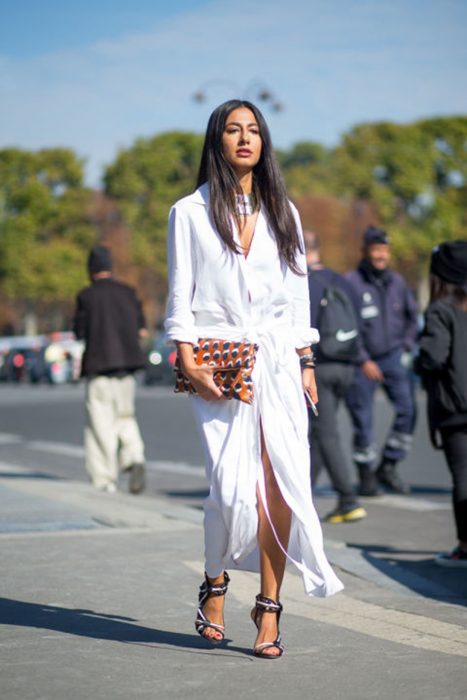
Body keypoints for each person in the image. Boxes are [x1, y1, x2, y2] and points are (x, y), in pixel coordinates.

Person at [165, 100, 343, 658]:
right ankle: (215, 580)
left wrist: (306, 362)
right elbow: (180, 294)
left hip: (278, 362)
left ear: (264, 143)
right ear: (216, 141)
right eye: (233, 130)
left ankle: (269, 608)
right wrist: (187, 357)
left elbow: (297, 297)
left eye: (254, 130)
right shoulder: (188, 213)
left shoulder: (282, 212)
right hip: (218, 364)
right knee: (232, 490)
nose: (245, 138)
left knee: (280, 485)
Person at [345, 226, 418, 496]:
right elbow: (345, 326)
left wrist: (406, 347)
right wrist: (363, 359)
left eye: (384, 251)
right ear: (365, 251)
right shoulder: (351, 283)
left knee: (408, 411)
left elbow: (412, 318)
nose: (380, 256)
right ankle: (366, 476)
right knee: (363, 421)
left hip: (393, 358)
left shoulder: (397, 283)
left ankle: (389, 464)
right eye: (376, 250)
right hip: (363, 363)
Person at [73, 246, 147, 494]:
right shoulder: (128, 293)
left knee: (100, 425)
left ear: (90, 270)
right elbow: (142, 330)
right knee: (125, 417)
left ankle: (105, 479)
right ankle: (134, 456)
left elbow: (79, 332)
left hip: (99, 367)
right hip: (127, 369)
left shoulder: (87, 296)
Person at [305, 231, 367, 523]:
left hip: (319, 367)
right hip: (346, 366)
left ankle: (348, 499)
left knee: (325, 433)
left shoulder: (303, 283)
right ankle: (302, 494)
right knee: (318, 433)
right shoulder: (341, 281)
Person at [415, 241, 467, 567]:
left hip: (455, 407)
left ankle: (464, 545)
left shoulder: (441, 310)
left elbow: (433, 357)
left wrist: (417, 362)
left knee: (463, 475)